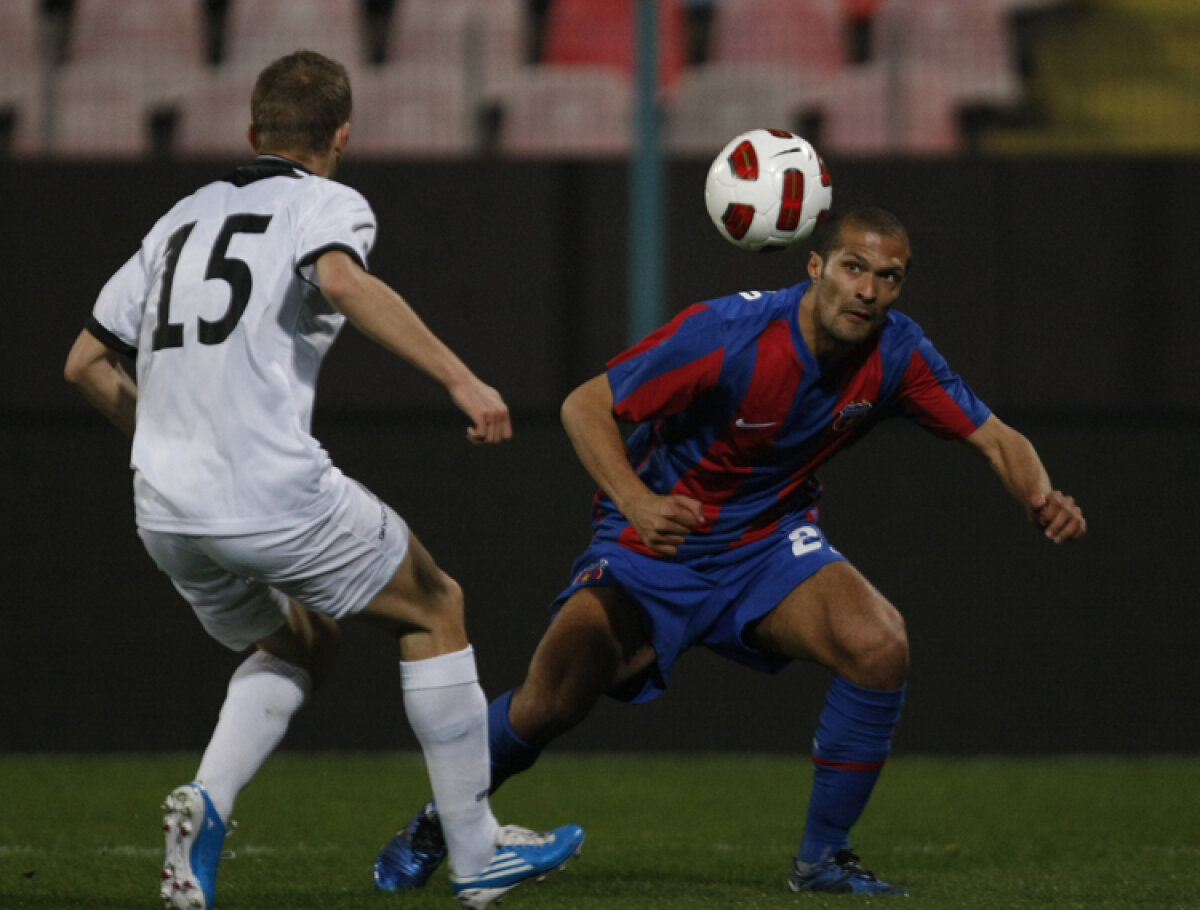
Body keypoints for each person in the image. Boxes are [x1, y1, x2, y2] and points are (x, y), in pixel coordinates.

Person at [373, 205, 1087, 896]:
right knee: (553, 697)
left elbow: (997, 437)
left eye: (889, 276)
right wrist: (637, 502)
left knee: (880, 645)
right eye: (853, 266)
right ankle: (440, 824)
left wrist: (1039, 493)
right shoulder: (725, 333)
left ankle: (822, 863)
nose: (869, 290)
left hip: (767, 546)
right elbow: (584, 405)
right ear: (815, 266)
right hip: (652, 546)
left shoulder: (898, 352)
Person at [63, 50, 583, 910]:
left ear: (250, 132)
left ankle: (207, 804)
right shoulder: (327, 202)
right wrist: (461, 378)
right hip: (267, 493)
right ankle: (476, 849)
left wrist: (160, 429)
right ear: (343, 134)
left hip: (162, 506)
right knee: (436, 605)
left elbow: (84, 362)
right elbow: (341, 278)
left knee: (299, 640)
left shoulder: (180, 218)